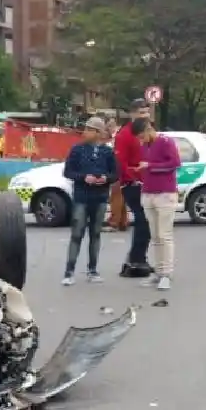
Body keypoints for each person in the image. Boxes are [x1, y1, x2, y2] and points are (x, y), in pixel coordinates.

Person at [61, 116, 118, 285]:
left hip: (100, 198)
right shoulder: (77, 150)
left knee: (95, 234)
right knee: (77, 233)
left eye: (88, 129)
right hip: (81, 198)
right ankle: (69, 271)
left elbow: (115, 174)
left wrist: (105, 179)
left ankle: (92, 270)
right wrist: (84, 177)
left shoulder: (107, 152)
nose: (84, 132)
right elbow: (68, 172)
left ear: (98, 133)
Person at [135, 118, 181, 291]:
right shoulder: (145, 146)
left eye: (141, 136)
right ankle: (159, 271)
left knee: (165, 235)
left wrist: (150, 166)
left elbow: (175, 163)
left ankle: (167, 274)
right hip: (148, 193)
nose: (141, 141)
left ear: (148, 129)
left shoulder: (166, 141)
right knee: (155, 236)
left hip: (165, 193)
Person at [114, 100, 152, 276]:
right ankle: (135, 259)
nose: (145, 116)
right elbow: (121, 164)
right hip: (132, 185)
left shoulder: (148, 132)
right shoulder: (125, 134)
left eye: (147, 112)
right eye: (141, 112)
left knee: (147, 222)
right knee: (143, 221)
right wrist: (133, 178)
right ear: (132, 114)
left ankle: (139, 258)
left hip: (149, 183)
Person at [104, 117, 129, 231]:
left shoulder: (115, 137)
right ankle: (123, 221)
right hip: (122, 170)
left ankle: (114, 222)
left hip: (117, 170)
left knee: (116, 197)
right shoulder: (119, 135)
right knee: (120, 197)